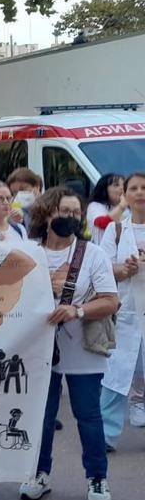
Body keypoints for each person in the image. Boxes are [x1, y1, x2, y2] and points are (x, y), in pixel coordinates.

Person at [19, 187, 119, 500]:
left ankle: (97, 479)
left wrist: (77, 310)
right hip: (36, 349)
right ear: (47, 213)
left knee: (88, 414)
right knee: (40, 415)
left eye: (77, 212)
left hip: (82, 348)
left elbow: (111, 301)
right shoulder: (26, 251)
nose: (71, 217)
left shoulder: (93, 254)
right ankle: (38, 473)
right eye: (65, 211)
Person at [95, 171, 145, 453]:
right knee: (116, 375)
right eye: (134, 188)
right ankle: (106, 434)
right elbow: (101, 269)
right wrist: (123, 270)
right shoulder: (116, 230)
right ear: (125, 195)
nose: (140, 193)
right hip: (125, 314)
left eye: (144, 188)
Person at [87, 173, 124, 245]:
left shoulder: (129, 209)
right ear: (104, 189)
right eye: (116, 185)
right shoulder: (95, 206)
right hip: (103, 254)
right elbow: (103, 223)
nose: (122, 188)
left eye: (124, 185)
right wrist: (122, 205)